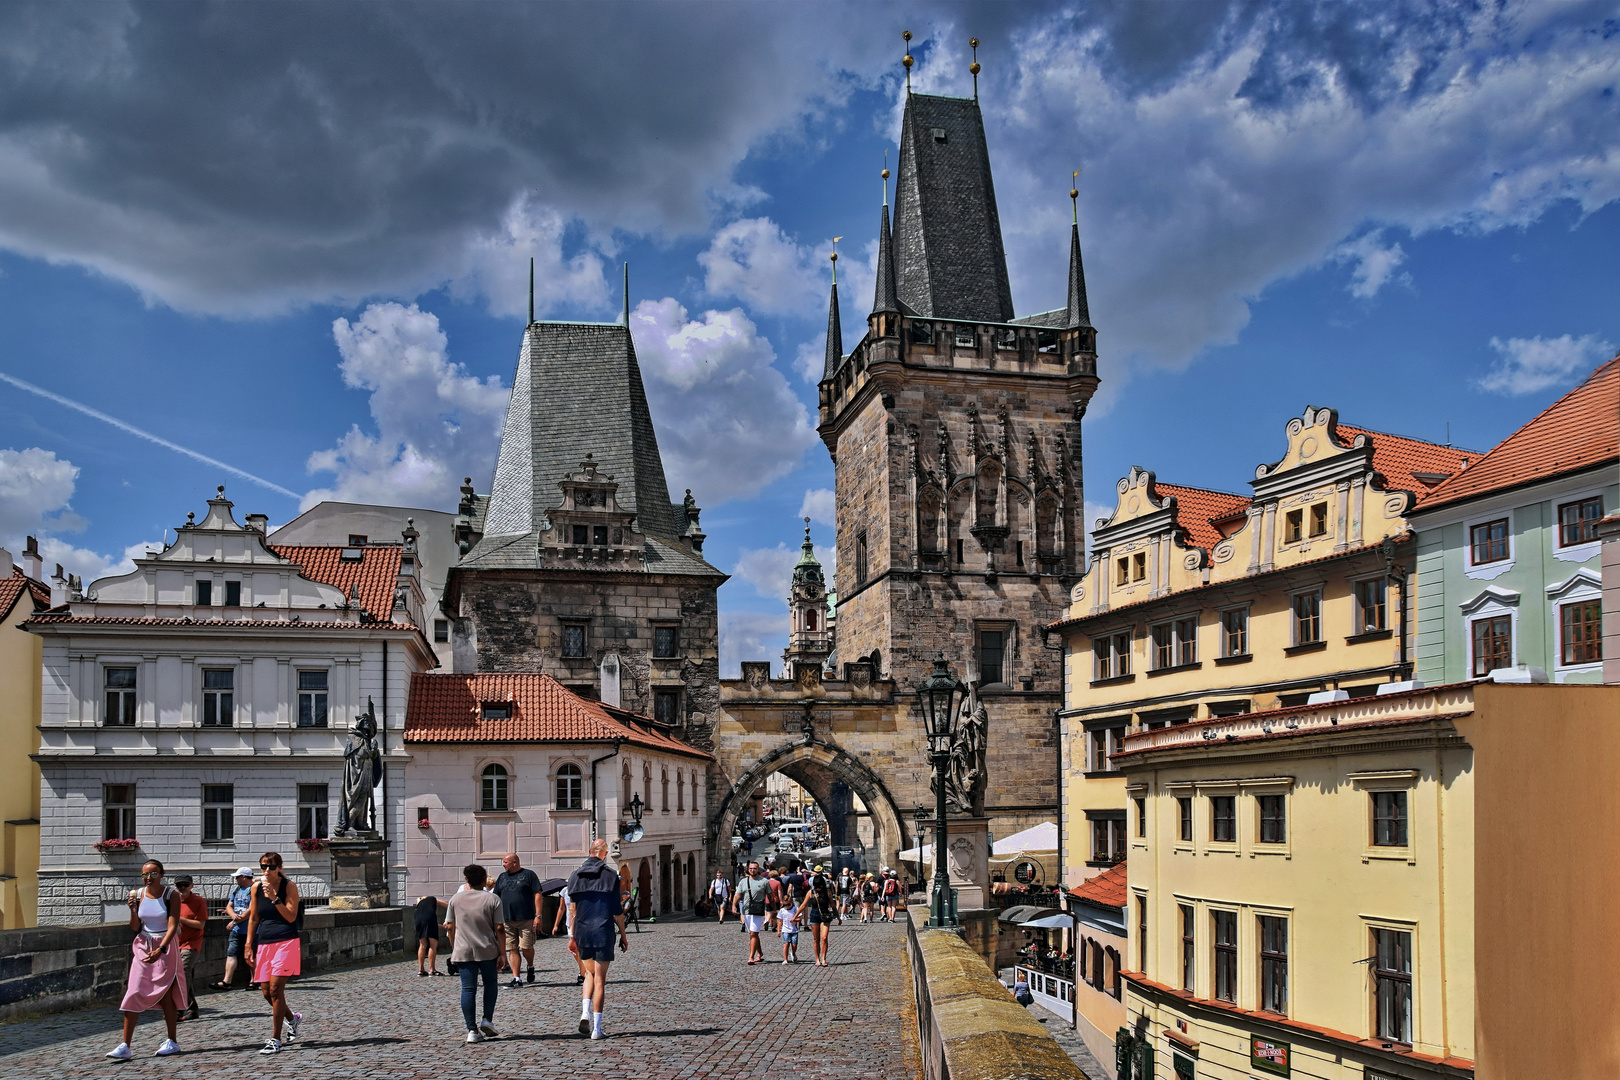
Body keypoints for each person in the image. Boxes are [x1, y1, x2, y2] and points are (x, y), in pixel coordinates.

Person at [105, 859, 185, 1059]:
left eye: (153, 874)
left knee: (165, 993)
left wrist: (161, 948)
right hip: (143, 943)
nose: (149, 878)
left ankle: (172, 1040)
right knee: (134, 991)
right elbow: (134, 926)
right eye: (145, 874)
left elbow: (173, 924)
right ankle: (125, 1044)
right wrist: (132, 910)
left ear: (161, 874)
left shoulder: (171, 895)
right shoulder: (137, 894)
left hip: (165, 943)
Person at [565, 838, 629, 1040]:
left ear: (590, 851)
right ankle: (597, 1028)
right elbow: (617, 911)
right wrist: (624, 936)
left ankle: (585, 1013)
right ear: (603, 853)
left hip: (582, 931)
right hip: (602, 930)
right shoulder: (611, 876)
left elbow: (572, 910)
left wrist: (572, 936)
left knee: (589, 974)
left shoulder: (575, 876)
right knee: (600, 979)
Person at [244, 850, 303, 1055]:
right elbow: (253, 918)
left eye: (270, 867)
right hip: (265, 943)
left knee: (277, 989)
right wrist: (248, 944)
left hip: (286, 940)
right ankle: (292, 1019)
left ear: (279, 868)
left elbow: (290, 916)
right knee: (266, 991)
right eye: (263, 867)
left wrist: (275, 898)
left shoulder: (289, 887)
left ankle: (275, 1039)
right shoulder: (255, 888)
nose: (266, 871)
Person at [446, 864, 504, 1042]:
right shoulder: (493, 899)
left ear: (466, 880)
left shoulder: (455, 899)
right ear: (485, 879)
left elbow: (449, 925)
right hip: (487, 948)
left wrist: (455, 945)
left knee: (468, 989)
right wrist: (503, 953)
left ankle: (472, 1030)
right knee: (490, 984)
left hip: (463, 950)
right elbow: (500, 928)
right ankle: (487, 1019)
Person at [492, 853, 542, 986]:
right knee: (512, 948)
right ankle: (517, 978)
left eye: (505, 862)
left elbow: (537, 894)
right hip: (507, 919)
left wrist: (538, 916)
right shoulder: (502, 877)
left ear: (514, 862)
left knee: (526, 947)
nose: (503, 865)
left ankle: (530, 966)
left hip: (526, 918)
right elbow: (495, 897)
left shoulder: (529, 875)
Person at [172, 875, 208, 1021]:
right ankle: (192, 1008)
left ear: (191, 886)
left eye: (185, 885)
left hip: (192, 943)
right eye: (179, 885)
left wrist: (179, 919)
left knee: (183, 971)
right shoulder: (172, 901)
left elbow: (200, 924)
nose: (182, 888)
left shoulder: (199, 901)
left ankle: (178, 1009)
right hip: (175, 943)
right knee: (183, 975)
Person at [216, 867, 254, 989]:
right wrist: (233, 916)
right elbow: (229, 906)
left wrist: (235, 921)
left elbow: (252, 909)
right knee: (231, 953)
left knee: (251, 955)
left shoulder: (254, 890)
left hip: (251, 929)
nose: (236, 879)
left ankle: (254, 980)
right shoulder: (236, 889)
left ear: (244, 877)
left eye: (237, 877)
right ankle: (227, 981)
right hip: (237, 929)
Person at [797, 864, 836, 967]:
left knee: (824, 938)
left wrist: (838, 917)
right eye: (817, 887)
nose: (818, 889)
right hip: (814, 915)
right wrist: (795, 915)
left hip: (825, 915)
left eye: (820, 887)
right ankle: (817, 959)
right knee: (816, 939)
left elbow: (832, 904)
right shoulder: (811, 892)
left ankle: (824, 958)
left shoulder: (827, 892)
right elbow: (803, 905)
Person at [732, 861, 769, 965]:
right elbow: (737, 894)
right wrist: (734, 905)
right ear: (748, 869)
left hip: (758, 910)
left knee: (753, 933)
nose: (753, 870)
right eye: (751, 868)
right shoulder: (743, 882)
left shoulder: (764, 881)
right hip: (746, 910)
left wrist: (772, 910)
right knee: (753, 934)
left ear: (758, 869)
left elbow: (769, 895)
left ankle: (751, 956)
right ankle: (760, 954)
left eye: (755, 868)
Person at [553, 882, 586, 986]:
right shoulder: (565, 891)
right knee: (575, 950)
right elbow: (562, 908)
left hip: (582, 923)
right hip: (569, 924)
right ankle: (584, 970)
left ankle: (583, 974)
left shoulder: (582, 889)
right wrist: (556, 925)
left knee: (581, 949)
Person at [415, 895, 446, 975]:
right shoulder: (432, 899)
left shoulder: (419, 904)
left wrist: (441, 926)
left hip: (418, 921)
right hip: (430, 919)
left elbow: (425, 920)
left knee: (422, 945)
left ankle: (421, 969)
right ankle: (432, 969)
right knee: (433, 945)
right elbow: (447, 905)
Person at [776, 889, 800, 964]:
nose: (787, 906)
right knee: (786, 944)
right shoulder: (782, 911)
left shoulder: (795, 909)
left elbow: (800, 918)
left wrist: (794, 920)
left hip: (794, 930)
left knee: (794, 945)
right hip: (785, 930)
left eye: (788, 904)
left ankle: (793, 953)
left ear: (792, 902)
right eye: (785, 905)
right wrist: (778, 930)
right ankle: (785, 959)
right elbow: (780, 921)